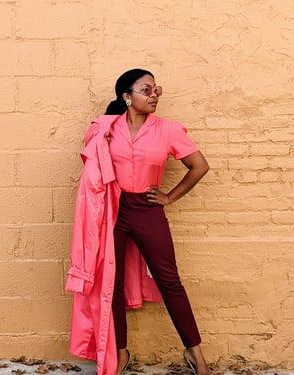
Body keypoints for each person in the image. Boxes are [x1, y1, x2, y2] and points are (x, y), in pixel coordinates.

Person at [66, 68, 210, 375]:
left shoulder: (168, 130)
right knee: (110, 284)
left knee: (170, 281)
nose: (154, 95)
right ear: (127, 97)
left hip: (147, 208)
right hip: (113, 210)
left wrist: (169, 197)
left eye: (157, 90)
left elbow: (199, 166)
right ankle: (119, 354)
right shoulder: (105, 128)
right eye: (146, 90)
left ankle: (196, 355)